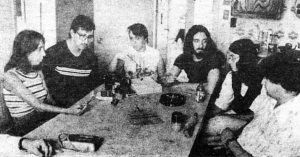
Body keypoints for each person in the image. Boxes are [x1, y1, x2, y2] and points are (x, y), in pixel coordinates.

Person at [190, 54, 300, 156]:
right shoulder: (272, 99)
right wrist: (229, 139)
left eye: (267, 79)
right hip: (238, 145)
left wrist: (231, 143)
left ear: (284, 85)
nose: (262, 82)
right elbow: (253, 124)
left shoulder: (294, 125)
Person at [3, 30, 86, 136]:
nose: (44, 53)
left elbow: (49, 100)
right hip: (25, 129)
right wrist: (68, 111)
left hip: (42, 119)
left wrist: (72, 106)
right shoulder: (11, 76)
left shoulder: (37, 72)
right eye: (39, 49)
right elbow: (37, 105)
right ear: (26, 51)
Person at [204, 39, 263, 135]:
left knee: (212, 124)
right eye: (228, 55)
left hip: (258, 120)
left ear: (245, 59)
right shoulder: (231, 75)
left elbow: (245, 108)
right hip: (243, 116)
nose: (229, 61)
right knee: (208, 123)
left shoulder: (259, 77)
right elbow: (221, 105)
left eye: (233, 57)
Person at [42, 15, 102, 107]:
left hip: (82, 106)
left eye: (89, 37)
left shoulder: (91, 58)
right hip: (58, 108)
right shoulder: (53, 53)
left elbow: (94, 87)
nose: (86, 41)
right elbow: (44, 86)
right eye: (82, 36)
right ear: (72, 33)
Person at [165, 25, 225, 104]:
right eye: (196, 41)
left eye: (204, 41)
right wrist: (167, 79)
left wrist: (181, 85)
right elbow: (169, 80)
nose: (201, 45)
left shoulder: (214, 58)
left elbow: (211, 89)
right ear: (190, 42)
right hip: (193, 96)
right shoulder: (183, 57)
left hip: (210, 100)